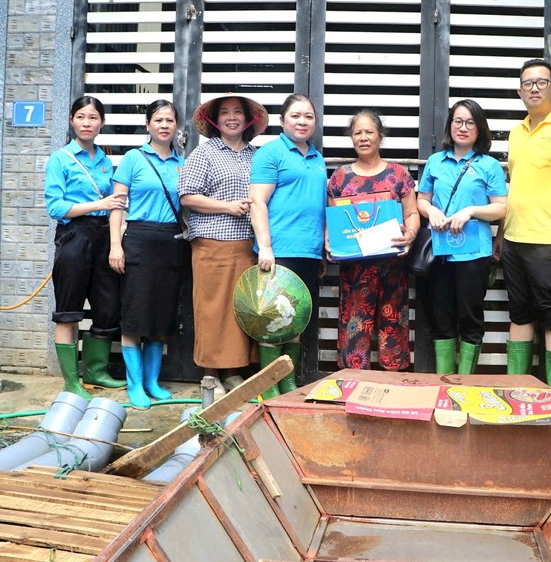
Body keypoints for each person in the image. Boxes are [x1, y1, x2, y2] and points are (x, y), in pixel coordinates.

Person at [494, 59, 551, 390]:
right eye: (528, 83)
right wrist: (501, 234)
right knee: (519, 315)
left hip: (549, 240)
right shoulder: (517, 133)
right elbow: (515, 186)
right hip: (514, 240)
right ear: (520, 91)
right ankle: (516, 391)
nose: (534, 88)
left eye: (542, 82)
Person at [177, 93, 267, 396]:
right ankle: (212, 373)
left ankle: (234, 371)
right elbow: (187, 196)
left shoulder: (257, 155)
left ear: (248, 119)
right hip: (212, 244)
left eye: (238, 112)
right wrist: (227, 206)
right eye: (225, 112)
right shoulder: (205, 153)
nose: (232, 117)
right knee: (212, 309)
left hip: (246, 245)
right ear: (215, 120)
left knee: (239, 311)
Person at [44, 96, 127, 400]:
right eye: (81, 117)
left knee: (107, 305)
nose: (87, 123)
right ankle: (71, 381)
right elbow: (56, 207)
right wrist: (99, 204)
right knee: (68, 309)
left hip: (104, 235)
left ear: (101, 123)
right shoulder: (60, 159)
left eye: (93, 118)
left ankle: (96, 372)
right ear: (71, 121)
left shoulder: (104, 160)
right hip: (74, 236)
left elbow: (116, 202)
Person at [107, 100, 188, 409]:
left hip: (171, 242)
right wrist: (116, 244)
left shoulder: (181, 163)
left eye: (169, 120)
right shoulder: (133, 158)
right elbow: (117, 206)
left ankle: (153, 382)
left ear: (176, 126)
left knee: (161, 318)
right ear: (148, 125)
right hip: (139, 239)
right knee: (135, 318)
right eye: (158, 119)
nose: (164, 125)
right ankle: (135, 385)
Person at [417, 100, 507, 374]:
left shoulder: (489, 165)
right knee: (440, 316)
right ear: (450, 126)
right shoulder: (435, 162)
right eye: (458, 121)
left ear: (480, 129)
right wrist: (430, 211)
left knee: (470, 317)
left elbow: (502, 207)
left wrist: (470, 211)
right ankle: (444, 380)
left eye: (470, 122)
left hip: (474, 254)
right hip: (439, 252)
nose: (463, 127)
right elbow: (421, 199)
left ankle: (465, 382)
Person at [327, 109, 419, 370]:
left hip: (392, 266)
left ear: (380, 136)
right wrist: (329, 242)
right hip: (355, 271)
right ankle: (353, 385)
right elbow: (333, 221)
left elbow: (412, 213)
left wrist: (409, 235)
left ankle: (394, 391)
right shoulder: (340, 177)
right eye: (357, 132)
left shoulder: (398, 174)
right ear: (351, 138)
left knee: (394, 327)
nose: (363, 137)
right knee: (354, 327)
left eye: (369, 132)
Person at [250, 93, 328, 392]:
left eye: (308, 116)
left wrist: (320, 249)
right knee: (271, 319)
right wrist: (265, 246)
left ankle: (288, 381)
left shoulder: (317, 157)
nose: (303, 121)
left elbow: (319, 206)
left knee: (295, 320)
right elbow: (258, 202)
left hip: (308, 253)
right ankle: (268, 385)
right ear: (283, 121)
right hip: (278, 251)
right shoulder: (270, 153)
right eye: (296, 115)